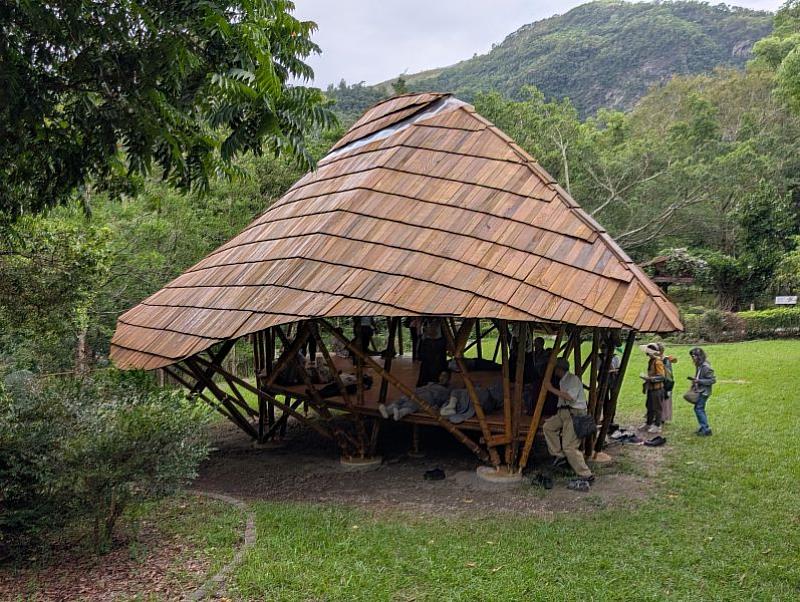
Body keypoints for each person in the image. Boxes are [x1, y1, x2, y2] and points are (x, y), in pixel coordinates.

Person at [542, 358, 594, 483]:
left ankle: (586, 474)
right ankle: (559, 455)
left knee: (569, 446)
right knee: (548, 427)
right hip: (563, 413)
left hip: (574, 414)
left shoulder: (573, 379)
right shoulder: (563, 380)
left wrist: (550, 389)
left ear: (559, 369)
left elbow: (570, 397)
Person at [378, 370, 451, 421]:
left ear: (448, 379)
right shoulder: (431, 383)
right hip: (418, 392)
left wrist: (435, 407)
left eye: (445, 377)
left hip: (428, 398)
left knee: (414, 402)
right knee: (404, 397)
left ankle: (400, 413)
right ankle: (388, 410)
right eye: (441, 375)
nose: (442, 378)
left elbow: (442, 401)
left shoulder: (446, 390)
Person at [688, 347, 716, 436]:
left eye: (693, 356)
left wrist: (699, 381)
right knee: (698, 409)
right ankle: (703, 427)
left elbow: (712, 380)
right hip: (700, 390)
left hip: (704, 392)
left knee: (699, 409)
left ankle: (706, 429)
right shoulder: (699, 365)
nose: (692, 358)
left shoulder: (706, 367)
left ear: (698, 356)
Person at [639, 342, 665, 434]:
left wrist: (649, 378)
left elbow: (662, 376)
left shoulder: (658, 362)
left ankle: (657, 425)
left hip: (657, 389)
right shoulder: (651, 361)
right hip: (651, 388)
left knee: (657, 408)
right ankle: (648, 423)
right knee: (649, 406)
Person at [416, 318, 448, 386]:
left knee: (437, 364)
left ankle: (435, 381)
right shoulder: (427, 321)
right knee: (429, 365)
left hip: (436, 343)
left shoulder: (437, 321)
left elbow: (433, 333)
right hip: (430, 343)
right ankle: (431, 381)